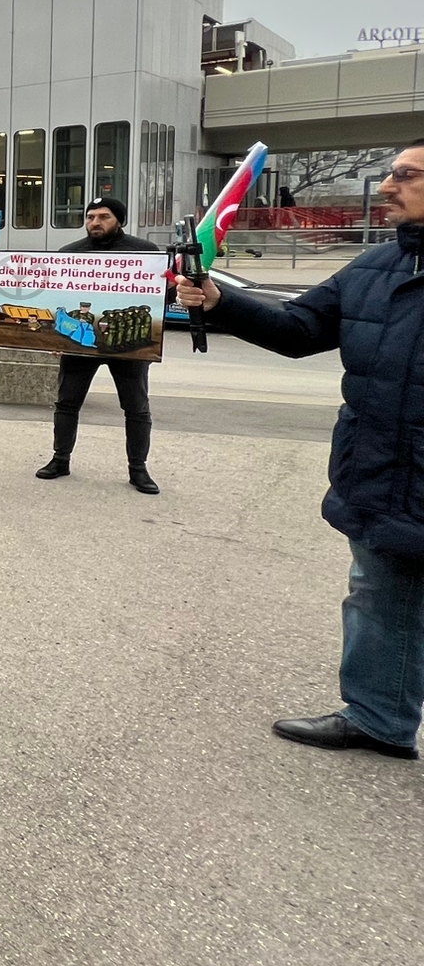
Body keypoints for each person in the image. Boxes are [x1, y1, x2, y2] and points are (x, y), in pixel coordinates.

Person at [174, 143, 424, 760]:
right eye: (388, 174)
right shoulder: (372, 266)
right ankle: (379, 718)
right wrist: (220, 301)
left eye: (405, 175)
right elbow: (299, 330)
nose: (386, 186)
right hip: (382, 473)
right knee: (379, 596)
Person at [34, 196, 164, 494]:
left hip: (128, 345)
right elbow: (57, 299)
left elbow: (161, 297)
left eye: (103, 216)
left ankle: (138, 469)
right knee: (67, 402)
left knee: (136, 407)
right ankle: (60, 459)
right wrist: (57, 338)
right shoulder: (70, 253)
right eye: (90, 217)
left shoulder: (145, 252)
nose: (95, 222)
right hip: (80, 343)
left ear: (119, 220)